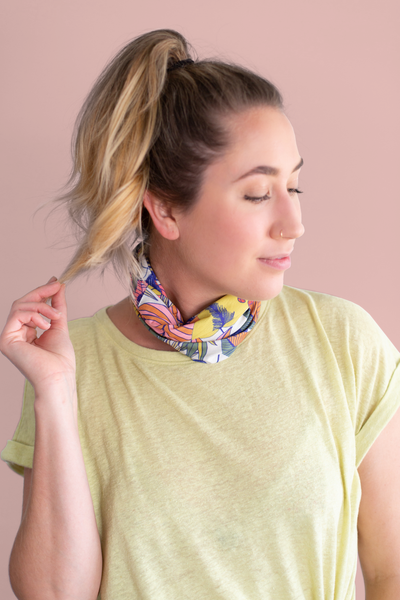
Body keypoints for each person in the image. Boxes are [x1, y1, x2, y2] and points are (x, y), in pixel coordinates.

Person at [1, 28, 400, 600]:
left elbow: (392, 574)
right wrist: (56, 392)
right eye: (259, 194)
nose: (294, 222)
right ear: (165, 208)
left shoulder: (343, 343)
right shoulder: (73, 362)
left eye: (295, 186)